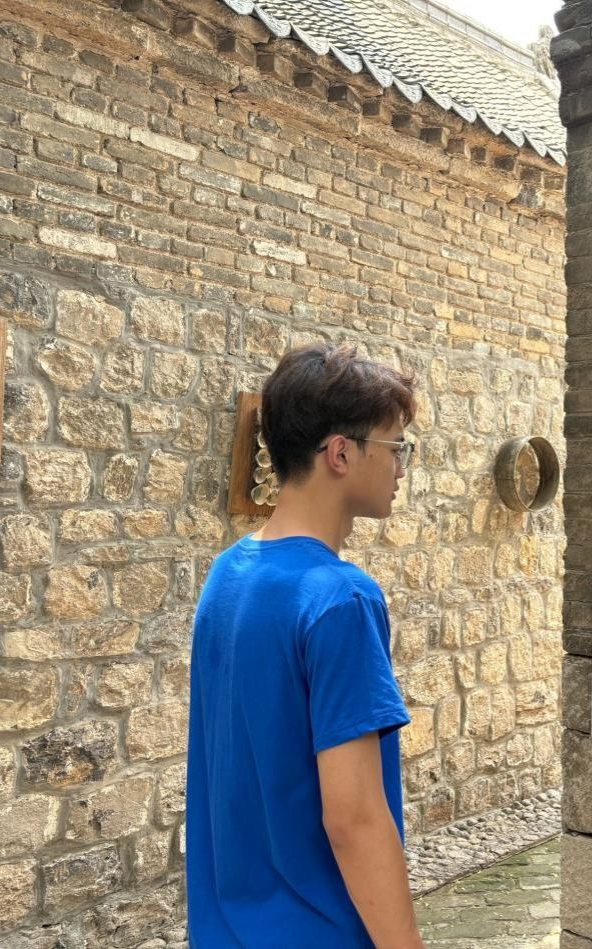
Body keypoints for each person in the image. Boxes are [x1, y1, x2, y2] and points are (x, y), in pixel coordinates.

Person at [187, 344, 425, 949]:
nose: (402, 468)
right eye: (396, 447)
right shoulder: (340, 600)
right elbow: (354, 817)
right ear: (341, 453)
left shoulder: (227, 573)